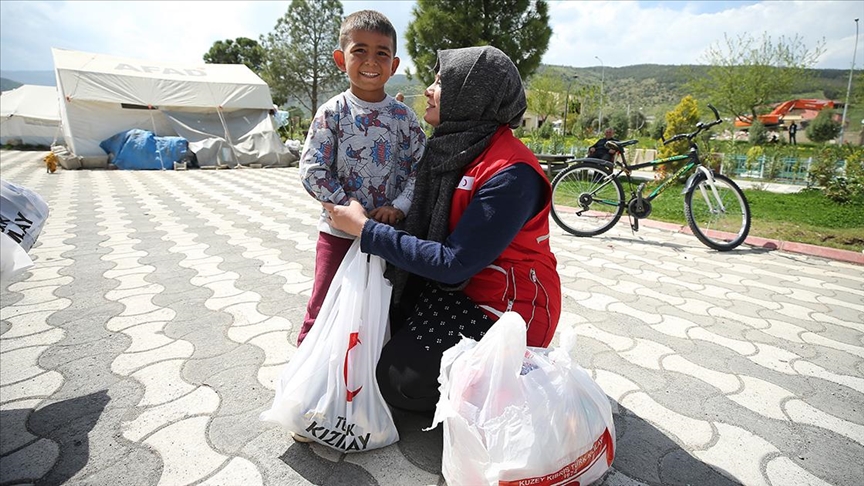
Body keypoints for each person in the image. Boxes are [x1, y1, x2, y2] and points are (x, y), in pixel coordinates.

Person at [324, 45, 562, 413]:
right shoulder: (454, 149)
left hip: (506, 311)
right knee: (370, 332)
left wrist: (366, 230)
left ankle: (515, 383)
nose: (429, 90)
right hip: (458, 291)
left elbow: (454, 263)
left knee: (402, 378)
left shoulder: (511, 173)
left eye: (441, 83)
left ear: (473, 97)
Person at [298, 10, 426, 348]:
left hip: (390, 237)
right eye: (360, 50)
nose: (371, 60)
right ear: (341, 59)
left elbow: (420, 168)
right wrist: (346, 207)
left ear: (394, 65)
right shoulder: (332, 113)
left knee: (384, 311)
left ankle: (373, 373)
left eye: (381, 53)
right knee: (324, 306)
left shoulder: (404, 119)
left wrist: (399, 207)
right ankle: (306, 368)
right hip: (338, 235)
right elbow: (313, 169)